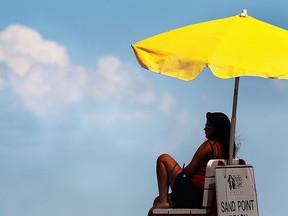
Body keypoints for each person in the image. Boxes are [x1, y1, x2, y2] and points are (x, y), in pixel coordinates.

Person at [148, 112, 237, 215]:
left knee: (163, 158)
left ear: (216, 130)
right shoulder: (229, 151)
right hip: (204, 198)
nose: (204, 129)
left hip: (193, 194)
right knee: (156, 201)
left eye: (207, 126)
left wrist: (179, 172)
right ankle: (162, 201)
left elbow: (189, 171)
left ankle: (163, 202)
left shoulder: (209, 146)